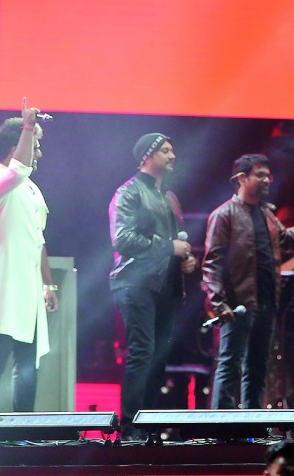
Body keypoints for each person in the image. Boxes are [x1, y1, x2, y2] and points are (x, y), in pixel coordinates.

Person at [202, 154, 294, 410]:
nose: (267, 180)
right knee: (230, 366)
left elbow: (288, 240)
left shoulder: (266, 214)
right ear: (241, 178)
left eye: (268, 175)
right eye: (260, 175)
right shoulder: (224, 215)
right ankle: (218, 428)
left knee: (257, 367)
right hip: (237, 305)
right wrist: (219, 304)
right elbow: (211, 264)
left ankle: (251, 426)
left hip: (265, 303)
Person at [109, 133, 197, 440]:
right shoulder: (128, 193)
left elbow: (180, 242)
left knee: (158, 358)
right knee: (142, 353)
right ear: (147, 156)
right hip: (136, 283)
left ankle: (149, 426)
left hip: (165, 286)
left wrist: (187, 260)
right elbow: (122, 240)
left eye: (173, 150)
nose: (173, 156)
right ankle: (129, 427)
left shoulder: (169, 197)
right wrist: (168, 249)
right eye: (166, 150)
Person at [0, 100, 58, 412]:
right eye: (35, 145)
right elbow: (19, 168)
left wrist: (49, 285)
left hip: (29, 286)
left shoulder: (32, 190)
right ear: (16, 145)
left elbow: (38, 239)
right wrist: (27, 127)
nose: (39, 153)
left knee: (28, 358)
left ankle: (21, 430)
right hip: (3, 278)